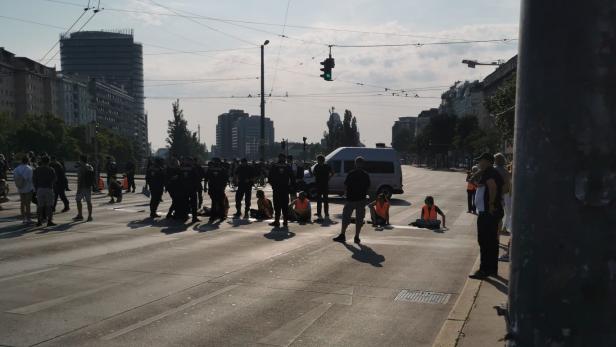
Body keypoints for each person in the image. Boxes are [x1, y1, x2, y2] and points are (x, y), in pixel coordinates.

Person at [469, 152, 504, 279]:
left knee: (484, 241)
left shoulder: (490, 173)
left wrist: (490, 204)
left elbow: (493, 187)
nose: (479, 163)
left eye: (481, 161)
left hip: (488, 213)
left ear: (488, 161)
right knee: (492, 241)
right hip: (491, 213)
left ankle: (484, 270)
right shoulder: (490, 172)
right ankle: (492, 269)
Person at [333, 156, 371, 244]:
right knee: (359, 219)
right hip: (361, 199)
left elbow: (346, 185)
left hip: (351, 199)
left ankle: (342, 234)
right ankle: (356, 237)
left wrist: (345, 195)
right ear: (362, 164)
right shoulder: (365, 175)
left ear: (355, 163)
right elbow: (368, 187)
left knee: (346, 217)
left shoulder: (351, 173)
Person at [268, 154, 295, 228]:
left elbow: (269, 178)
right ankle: (283, 222)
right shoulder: (287, 167)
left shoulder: (275, 166)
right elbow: (292, 178)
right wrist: (291, 187)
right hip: (282, 189)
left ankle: (279, 221)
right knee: (282, 206)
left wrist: (273, 185)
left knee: (279, 206)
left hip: (279, 189)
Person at [33, 156, 57, 227]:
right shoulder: (51, 169)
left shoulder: (37, 169)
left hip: (40, 189)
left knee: (40, 206)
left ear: (42, 161)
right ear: (48, 161)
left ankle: (39, 221)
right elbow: (55, 179)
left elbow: (34, 180)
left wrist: (36, 188)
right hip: (48, 188)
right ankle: (49, 221)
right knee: (49, 206)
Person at [204, 158, 229, 223]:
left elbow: (206, 178)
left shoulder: (211, 169)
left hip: (214, 188)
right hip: (218, 188)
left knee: (214, 202)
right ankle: (221, 216)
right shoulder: (223, 169)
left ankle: (213, 216)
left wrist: (205, 187)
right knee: (220, 203)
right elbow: (226, 179)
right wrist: (224, 186)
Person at [494, 153, 512, 233]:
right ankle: (502, 230)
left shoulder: (493, 170)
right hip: (504, 195)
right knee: (502, 215)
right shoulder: (506, 171)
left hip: (494, 195)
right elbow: (508, 186)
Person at [73, 155, 95, 222]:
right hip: (88, 187)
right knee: (89, 201)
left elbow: (80, 178)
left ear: (81, 160)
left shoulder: (80, 168)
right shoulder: (90, 166)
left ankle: (80, 215)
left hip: (82, 186)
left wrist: (79, 188)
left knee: (78, 200)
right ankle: (90, 216)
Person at [313, 154, 334, 222]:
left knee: (325, 200)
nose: (318, 161)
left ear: (321, 160)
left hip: (324, 185)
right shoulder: (317, 166)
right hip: (319, 185)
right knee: (319, 200)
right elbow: (314, 174)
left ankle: (326, 213)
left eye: (318, 160)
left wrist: (329, 178)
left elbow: (332, 173)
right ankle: (319, 213)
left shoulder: (326, 166)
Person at [13, 156, 34, 224]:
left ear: (21, 161)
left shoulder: (16, 169)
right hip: (28, 188)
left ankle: (23, 218)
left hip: (20, 187)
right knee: (28, 204)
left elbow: (15, 178)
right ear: (28, 161)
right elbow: (31, 179)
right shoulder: (29, 169)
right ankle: (28, 218)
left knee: (22, 203)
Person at [180, 157, 201, 223]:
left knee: (185, 203)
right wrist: (197, 187)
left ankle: (184, 216)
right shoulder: (193, 168)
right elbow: (197, 178)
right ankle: (194, 217)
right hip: (192, 188)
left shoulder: (181, 168)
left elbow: (179, 178)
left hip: (183, 188)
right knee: (194, 204)